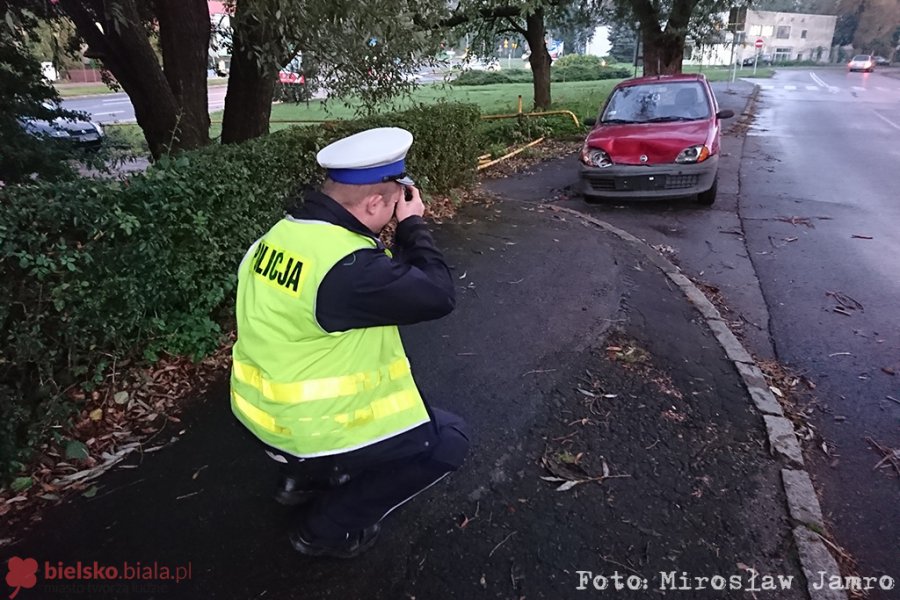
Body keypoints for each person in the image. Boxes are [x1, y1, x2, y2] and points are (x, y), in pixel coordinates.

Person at [230, 127, 469, 559]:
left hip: (256, 411)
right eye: (395, 201)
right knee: (448, 440)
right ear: (375, 203)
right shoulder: (349, 268)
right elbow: (438, 296)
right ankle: (324, 527)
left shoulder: (280, 235)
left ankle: (301, 479)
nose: (397, 209)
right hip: (307, 429)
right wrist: (413, 225)